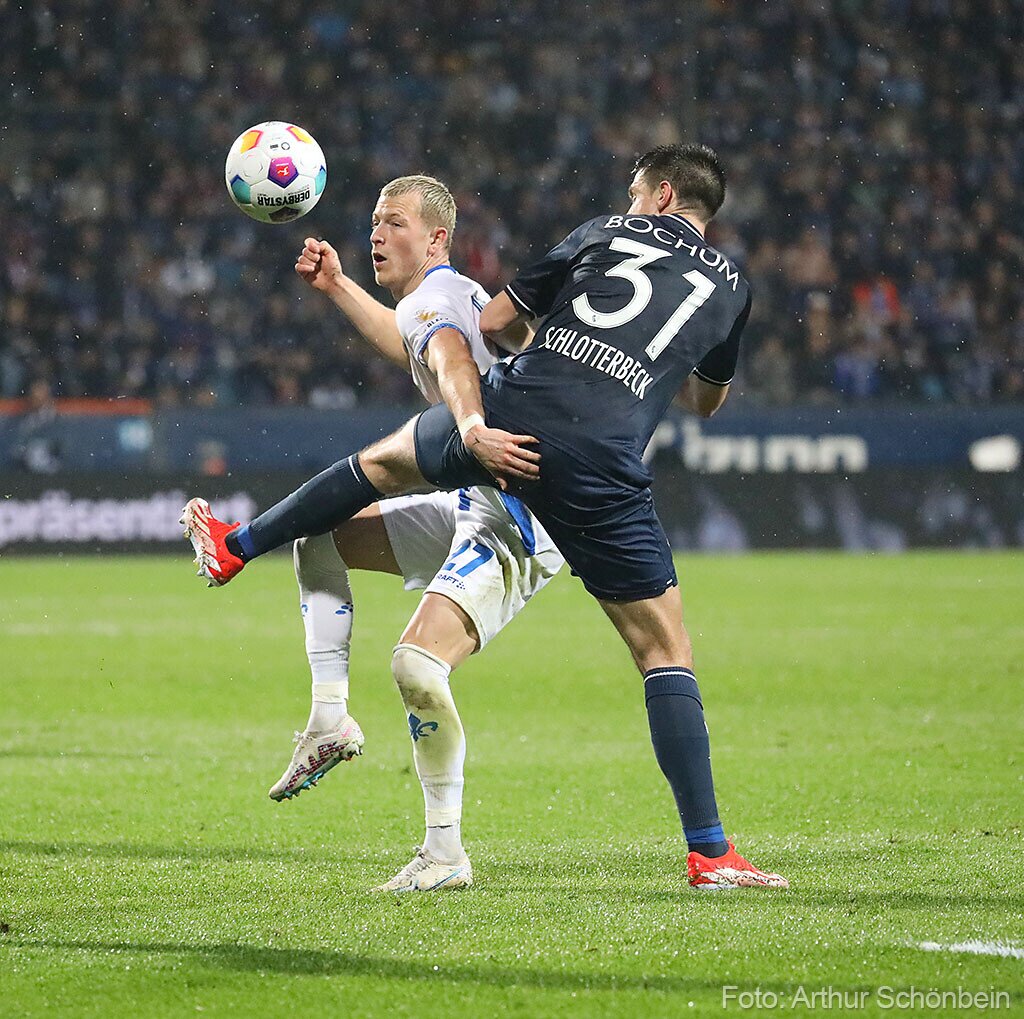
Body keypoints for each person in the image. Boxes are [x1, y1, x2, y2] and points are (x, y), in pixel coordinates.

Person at [186, 145, 788, 890]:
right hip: (593, 459)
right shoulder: (731, 285)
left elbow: (485, 331)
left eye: (392, 223)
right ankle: (710, 851)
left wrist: (527, 381)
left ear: (661, 196)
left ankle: (240, 546)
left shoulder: (602, 232)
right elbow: (705, 399)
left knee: (379, 474)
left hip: (513, 440)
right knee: (664, 652)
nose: (377, 235)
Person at [183, 175, 562, 892]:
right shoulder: (448, 294)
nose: (376, 235)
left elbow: (448, 357)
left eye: (394, 223)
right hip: (471, 499)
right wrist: (337, 285)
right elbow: (411, 339)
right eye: (374, 222)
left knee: (417, 667)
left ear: (437, 238)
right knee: (320, 534)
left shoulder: (436, 302)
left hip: (516, 517)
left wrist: (470, 425)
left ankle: (445, 853)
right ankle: (329, 718)